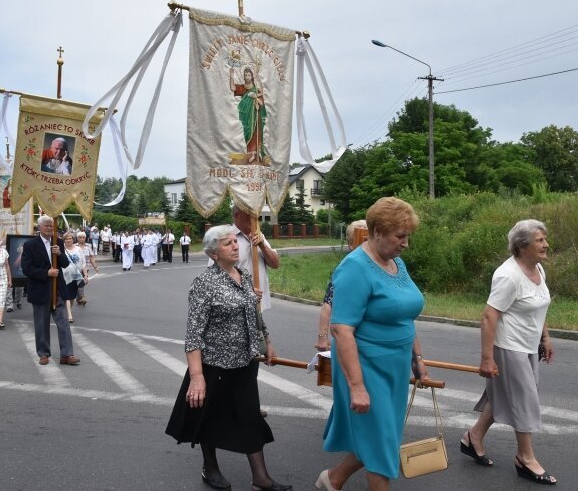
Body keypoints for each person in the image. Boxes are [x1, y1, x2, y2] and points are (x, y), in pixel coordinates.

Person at [165, 225, 291, 491]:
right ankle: (210, 468)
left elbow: (253, 315)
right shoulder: (203, 284)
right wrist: (197, 377)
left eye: (235, 241)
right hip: (214, 365)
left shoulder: (244, 276)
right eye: (228, 244)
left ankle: (260, 477)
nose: (236, 246)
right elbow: (193, 334)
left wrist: (267, 342)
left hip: (245, 363)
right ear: (213, 253)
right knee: (208, 417)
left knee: (249, 416)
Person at [317, 197, 429, 491]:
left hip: (395, 366)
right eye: (400, 236)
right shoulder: (355, 268)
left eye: (407, 236)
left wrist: (417, 357)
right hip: (365, 368)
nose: (405, 243)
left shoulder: (396, 263)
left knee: (384, 435)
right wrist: (356, 386)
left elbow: (404, 313)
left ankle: (334, 479)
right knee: (381, 445)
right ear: (377, 231)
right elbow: (341, 330)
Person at [461, 219, 557, 485]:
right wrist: (486, 357)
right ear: (522, 245)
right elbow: (489, 316)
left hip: (528, 345)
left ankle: (473, 436)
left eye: (544, 239)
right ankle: (525, 458)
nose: (546, 244)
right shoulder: (508, 275)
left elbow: (539, 306)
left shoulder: (537, 269)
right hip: (508, 346)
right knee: (524, 397)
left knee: (506, 392)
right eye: (540, 240)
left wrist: (545, 337)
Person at [20, 215, 80, 366]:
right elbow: (26, 269)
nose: (49, 228)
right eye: (46, 225)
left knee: (63, 322)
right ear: (39, 227)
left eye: (51, 226)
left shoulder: (58, 242)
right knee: (41, 323)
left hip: (57, 289)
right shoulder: (30, 245)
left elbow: (66, 264)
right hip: (40, 289)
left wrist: (59, 254)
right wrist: (46, 273)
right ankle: (43, 353)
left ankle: (67, 354)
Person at [315, 220, 367, 352]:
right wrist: (322, 337)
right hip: (351, 335)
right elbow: (328, 303)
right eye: (362, 238)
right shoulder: (347, 268)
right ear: (350, 245)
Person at [230, 67, 268, 163]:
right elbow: (232, 88)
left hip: (256, 116)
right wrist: (231, 76)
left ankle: (255, 153)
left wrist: (255, 97)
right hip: (246, 116)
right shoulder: (243, 88)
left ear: (252, 77)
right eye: (245, 75)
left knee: (255, 134)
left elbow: (261, 103)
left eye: (249, 75)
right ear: (244, 77)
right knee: (247, 134)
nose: (247, 77)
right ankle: (251, 153)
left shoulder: (257, 90)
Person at [61, 231, 87, 324]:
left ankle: (68, 311)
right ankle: (69, 315)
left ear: (73, 239)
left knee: (71, 296)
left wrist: (86, 275)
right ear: (64, 240)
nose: (68, 240)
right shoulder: (61, 249)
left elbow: (83, 263)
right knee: (67, 296)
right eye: (67, 239)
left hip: (76, 276)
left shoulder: (78, 249)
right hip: (64, 277)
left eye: (70, 238)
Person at [75, 231, 99, 305]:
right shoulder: (74, 246)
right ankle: (81, 297)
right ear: (77, 238)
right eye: (80, 237)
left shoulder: (88, 246)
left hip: (86, 268)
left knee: (81, 283)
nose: (82, 239)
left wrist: (96, 267)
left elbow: (91, 257)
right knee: (79, 283)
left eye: (83, 237)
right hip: (76, 268)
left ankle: (80, 298)